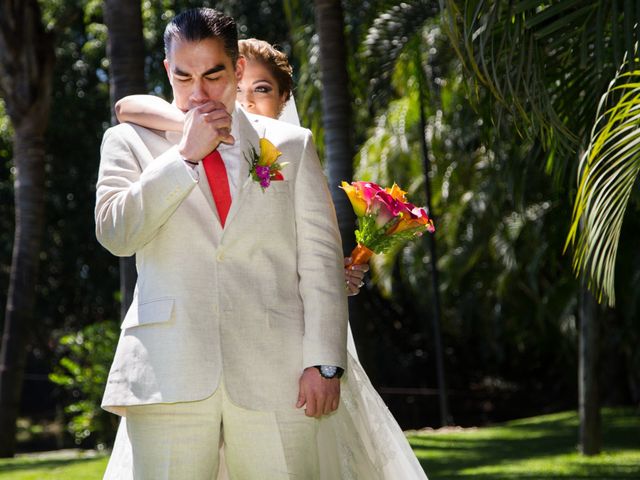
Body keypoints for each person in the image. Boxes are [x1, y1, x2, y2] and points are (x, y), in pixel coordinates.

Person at [103, 35, 428, 480]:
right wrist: (185, 153)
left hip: (276, 371)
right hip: (170, 370)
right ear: (168, 71)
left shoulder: (291, 145)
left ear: (233, 73)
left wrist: (325, 361)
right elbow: (116, 234)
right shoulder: (132, 140)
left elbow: (315, 260)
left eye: (214, 76)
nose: (199, 90)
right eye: (183, 76)